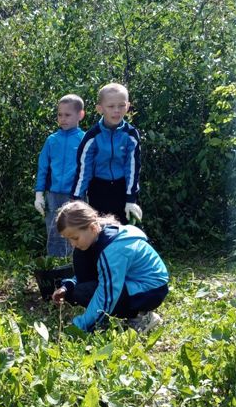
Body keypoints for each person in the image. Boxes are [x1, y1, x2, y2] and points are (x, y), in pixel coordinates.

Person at [51, 201, 168, 333]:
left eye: (75, 238)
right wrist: (68, 286)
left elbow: (108, 295)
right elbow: (91, 272)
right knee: (80, 290)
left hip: (152, 290)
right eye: (68, 239)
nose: (72, 244)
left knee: (88, 293)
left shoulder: (112, 250)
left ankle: (142, 317)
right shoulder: (96, 237)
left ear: (92, 228)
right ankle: (113, 315)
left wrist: (79, 326)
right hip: (131, 282)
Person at [71, 83, 143, 225]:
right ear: (100, 109)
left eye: (121, 105)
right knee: (98, 233)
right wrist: (76, 199)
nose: (116, 110)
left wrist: (131, 199)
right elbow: (83, 170)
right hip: (98, 189)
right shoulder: (92, 136)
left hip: (123, 189)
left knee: (126, 233)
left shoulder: (131, 135)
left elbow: (133, 168)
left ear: (128, 106)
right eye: (111, 106)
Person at [34, 94, 86, 256]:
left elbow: (88, 169)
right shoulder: (51, 140)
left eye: (68, 115)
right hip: (53, 194)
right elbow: (43, 168)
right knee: (54, 228)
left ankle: (75, 261)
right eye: (59, 114)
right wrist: (39, 194)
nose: (63, 119)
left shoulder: (84, 139)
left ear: (80, 115)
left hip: (75, 195)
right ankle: (55, 262)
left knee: (76, 227)